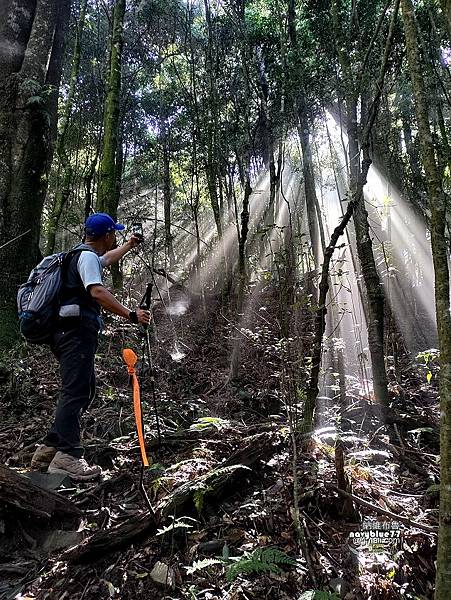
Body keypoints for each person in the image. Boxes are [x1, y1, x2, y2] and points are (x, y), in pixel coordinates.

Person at [30, 213, 151, 481]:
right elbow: (97, 292)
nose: (115, 238)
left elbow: (105, 259)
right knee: (76, 390)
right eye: (114, 234)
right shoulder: (85, 258)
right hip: (75, 333)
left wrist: (130, 245)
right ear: (106, 235)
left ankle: (49, 449)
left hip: (64, 332)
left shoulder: (80, 256)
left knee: (83, 389)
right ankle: (68, 457)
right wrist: (131, 314)